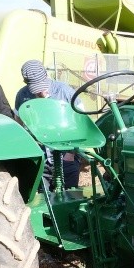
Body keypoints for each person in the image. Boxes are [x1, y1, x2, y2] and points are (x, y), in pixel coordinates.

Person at [15, 59, 80, 188]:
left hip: (66, 155)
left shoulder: (65, 93)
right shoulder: (22, 95)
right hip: (41, 157)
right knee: (43, 199)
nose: (42, 93)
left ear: (46, 76)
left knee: (69, 197)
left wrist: (70, 154)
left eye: (42, 87)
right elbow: (19, 124)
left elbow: (80, 124)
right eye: (36, 90)